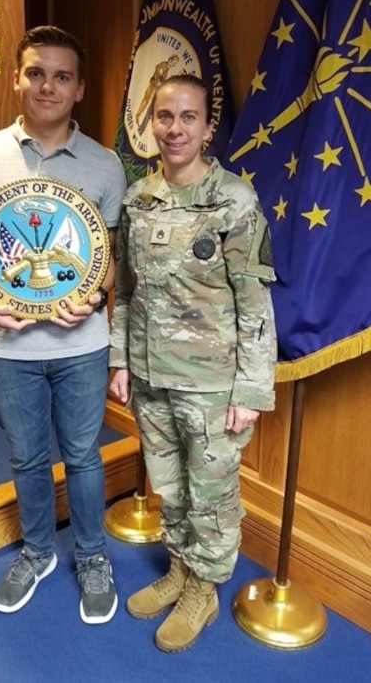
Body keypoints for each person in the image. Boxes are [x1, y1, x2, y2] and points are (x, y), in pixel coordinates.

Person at [0, 25, 127, 624]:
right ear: (16, 79)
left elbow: (110, 256)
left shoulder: (104, 164)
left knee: (83, 456)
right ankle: (39, 551)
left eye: (62, 76)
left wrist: (97, 292)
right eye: (36, 73)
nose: (47, 85)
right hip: (7, 344)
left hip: (82, 343)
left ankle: (93, 557)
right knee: (25, 458)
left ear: (79, 89)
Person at [109, 74, 276, 651]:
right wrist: (121, 360)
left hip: (211, 383)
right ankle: (180, 569)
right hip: (150, 375)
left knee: (212, 494)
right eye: (163, 116)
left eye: (187, 118)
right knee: (170, 486)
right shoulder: (137, 198)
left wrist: (250, 390)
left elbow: (254, 302)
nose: (174, 129)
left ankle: (203, 588)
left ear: (208, 128)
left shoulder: (235, 200)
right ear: (150, 123)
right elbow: (126, 292)